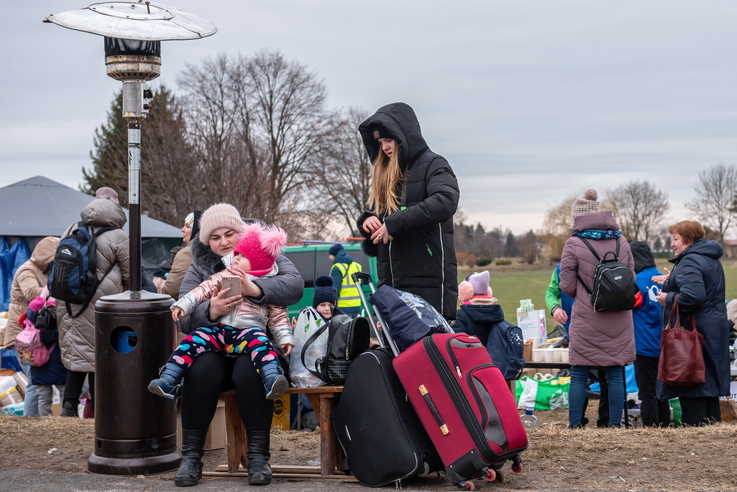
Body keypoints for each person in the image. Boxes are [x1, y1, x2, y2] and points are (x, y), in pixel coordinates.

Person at [174, 203, 303, 487]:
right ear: (206, 241)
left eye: (229, 234)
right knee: (201, 369)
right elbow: (183, 319)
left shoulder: (263, 251)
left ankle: (258, 457)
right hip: (216, 344)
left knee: (248, 371)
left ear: (240, 231)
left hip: (259, 345)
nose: (223, 243)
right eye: (215, 237)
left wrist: (256, 290)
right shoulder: (200, 266)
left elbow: (295, 286)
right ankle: (191, 457)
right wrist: (210, 310)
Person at [149, 222, 293, 401]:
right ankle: (169, 379)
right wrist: (183, 305)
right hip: (219, 331)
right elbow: (201, 290)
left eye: (243, 256)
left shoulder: (267, 281)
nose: (236, 258)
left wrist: (284, 338)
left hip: (248, 332)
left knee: (263, 345)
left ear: (257, 261)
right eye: (237, 254)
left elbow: (279, 316)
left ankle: (272, 378)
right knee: (191, 341)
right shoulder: (225, 274)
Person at [356, 102, 460, 320]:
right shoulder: (385, 174)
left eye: (388, 139)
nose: (384, 147)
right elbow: (380, 215)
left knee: (428, 352)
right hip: (391, 285)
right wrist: (368, 221)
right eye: (380, 142)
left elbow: (445, 201)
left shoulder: (433, 164)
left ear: (404, 135)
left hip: (428, 284)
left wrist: (394, 224)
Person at [559, 189, 635, 428]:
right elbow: (630, 279)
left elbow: (567, 287)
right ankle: (614, 425)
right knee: (614, 373)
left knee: (579, 373)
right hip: (620, 319)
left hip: (587, 317)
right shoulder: (621, 241)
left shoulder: (573, 244)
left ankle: (575, 425)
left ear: (578, 217)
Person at [57, 187, 130, 417]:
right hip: (103, 302)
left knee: (78, 353)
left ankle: (68, 407)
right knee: (100, 354)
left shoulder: (71, 228)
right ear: (116, 206)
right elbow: (132, 274)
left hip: (69, 301)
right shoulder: (118, 236)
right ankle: (100, 411)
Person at [654, 221, 730, 426]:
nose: (672, 244)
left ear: (689, 239)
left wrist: (666, 298)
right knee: (708, 387)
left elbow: (693, 297)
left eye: (676, 239)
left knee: (693, 382)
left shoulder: (690, 262)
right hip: (712, 330)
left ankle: (695, 432)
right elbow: (701, 286)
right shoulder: (708, 258)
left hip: (696, 335)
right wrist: (673, 280)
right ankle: (712, 433)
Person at [5, 236, 59, 417]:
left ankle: (34, 419)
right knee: (34, 380)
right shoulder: (27, 270)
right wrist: (55, 291)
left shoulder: (44, 271)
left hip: (35, 336)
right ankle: (31, 419)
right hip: (22, 335)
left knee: (36, 380)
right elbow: (30, 293)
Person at [628, 241, 670, 427]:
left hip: (644, 346)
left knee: (647, 393)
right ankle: (664, 425)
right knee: (663, 390)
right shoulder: (664, 279)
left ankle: (651, 427)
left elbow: (628, 307)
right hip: (666, 346)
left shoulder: (636, 282)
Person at [24, 295, 67, 417]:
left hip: (38, 367)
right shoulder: (55, 327)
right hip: (58, 365)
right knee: (65, 393)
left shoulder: (29, 329)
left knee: (43, 398)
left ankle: (45, 419)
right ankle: (65, 418)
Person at [157, 211, 202, 299]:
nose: (182, 229)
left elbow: (170, 290)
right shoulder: (215, 250)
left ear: (197, 230)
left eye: (187, 226)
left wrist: (163, 286)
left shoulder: (186, 253)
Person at [328, 244, 362, 318]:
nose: (329, 257)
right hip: (356, 305)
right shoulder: (357, 266)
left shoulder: (337, 268)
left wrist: (331, 304)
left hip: (343, 306)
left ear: (336, 255)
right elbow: (360, 285)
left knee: (344, 329)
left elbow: (335, 288)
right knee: (353, 328)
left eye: (331, 255)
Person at [545, 263, 573, 337]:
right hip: (571, 331)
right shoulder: (560, 269)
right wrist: (555, 308)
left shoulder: (597, 266)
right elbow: (551, 293)